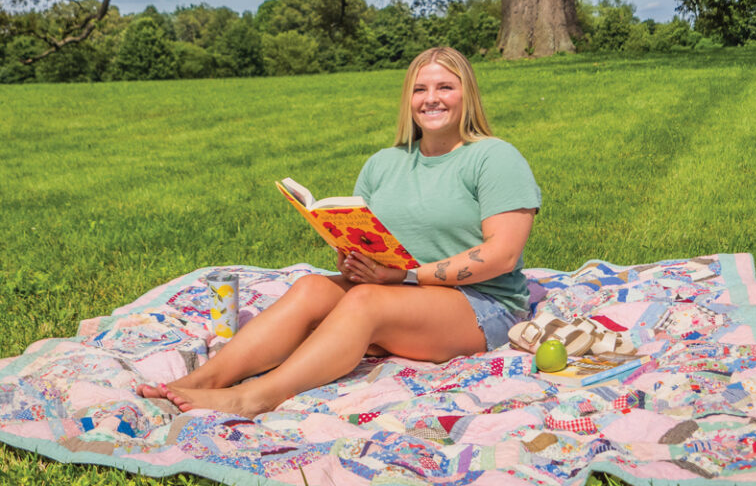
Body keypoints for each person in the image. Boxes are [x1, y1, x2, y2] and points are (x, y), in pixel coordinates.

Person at [137, 46, 541, 417]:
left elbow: (501, 255)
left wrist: (404, 277)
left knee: (365, 302)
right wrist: (352, 260)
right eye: (420, 89)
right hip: (401, 291)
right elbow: (362, 238)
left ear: (466, 94)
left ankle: (254, 397)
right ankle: (202, 380)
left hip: (481, 304)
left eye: (445, 87)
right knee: (311, 287)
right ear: (408, 99)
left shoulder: (493, 157)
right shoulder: (384, 163)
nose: (430, 98)